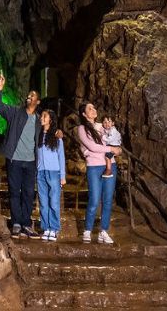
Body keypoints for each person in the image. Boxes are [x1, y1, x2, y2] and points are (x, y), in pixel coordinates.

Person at [0, 70, 40, 237]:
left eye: (32, 95)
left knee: (28, 193)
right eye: (28, 95)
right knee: (14, 192)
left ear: (37, 101)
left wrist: (58, 133)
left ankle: (27, 224)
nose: (29, 97)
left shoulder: (40, 120)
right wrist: (0, 88)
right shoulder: (14, 113)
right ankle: (16, 223)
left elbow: (50, 130)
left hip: (31, 161)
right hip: (15, 160)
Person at [76, 100, 120, 244]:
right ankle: (87, 230)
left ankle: (104, 231)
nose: (94, 110)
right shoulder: (82, 128)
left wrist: (116, 148)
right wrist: (110, 149)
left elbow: (114, 139)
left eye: (94, 107)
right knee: (94, 199)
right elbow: (92, 146)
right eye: (90, 108)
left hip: (110, 165)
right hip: (94, 167)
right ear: (84, 114)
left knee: (107, 200)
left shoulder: (103, 126)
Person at [36, 109, 66, 241]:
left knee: (53, 202)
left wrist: (63, 176)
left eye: (44, 116)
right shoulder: (38, 135)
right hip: (40, 172)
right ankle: (46, 228)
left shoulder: (56, 137)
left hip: (54, 172)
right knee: (43, 202)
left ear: (50, 120)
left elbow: (61, 157)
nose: (41, 117)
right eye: (41, 115)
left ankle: (54, 228)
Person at [101, 114, 122, 179]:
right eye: (105, 122)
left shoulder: (113, 130)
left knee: (107, 157)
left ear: (113, 123)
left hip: (114, 145)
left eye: (109, 122)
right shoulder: (107, 130)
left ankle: (109, 170)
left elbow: (110, 139)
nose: (107, 124)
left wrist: (103, 137)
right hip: (112, 144)